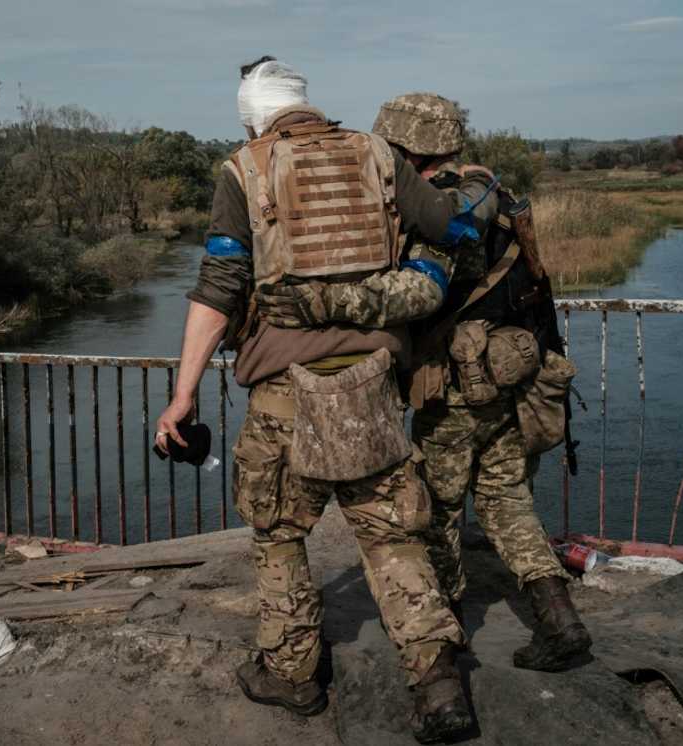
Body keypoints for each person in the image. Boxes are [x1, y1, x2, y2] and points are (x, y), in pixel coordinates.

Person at [154, 59, 499, 743]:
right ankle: (437, 682)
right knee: (391, 534)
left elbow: (220, 288)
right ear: (307, 105)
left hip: (287, 390)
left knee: (279, 534)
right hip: (371, 382)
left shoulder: (244, 168)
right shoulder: (375, 152)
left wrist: (182, 394)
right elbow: (446, 226)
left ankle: (293, 675)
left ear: (254, 113)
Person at [257, 92, 593, 673]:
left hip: (458, 384)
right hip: (515, 374)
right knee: (506, 496)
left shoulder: (437, 210)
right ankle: (560, 620)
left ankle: (445, 635)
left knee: (433, 509)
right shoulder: (495, 194)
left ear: (406, 150)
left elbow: (420, 293)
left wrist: (317, 302)